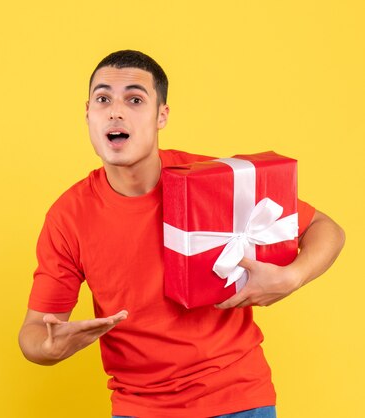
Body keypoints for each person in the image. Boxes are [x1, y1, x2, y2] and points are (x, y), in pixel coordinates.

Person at [18, 50, 345, 418]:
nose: (115, 111)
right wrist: (49, 347)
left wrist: (291, 277)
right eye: (103, 98)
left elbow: (326, 229)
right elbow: (33, 332)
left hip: (238, 397)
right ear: (88, 114)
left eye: (135, 99)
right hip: (139, 407)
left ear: (162, 116)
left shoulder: (212, 181)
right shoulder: (68, 216)